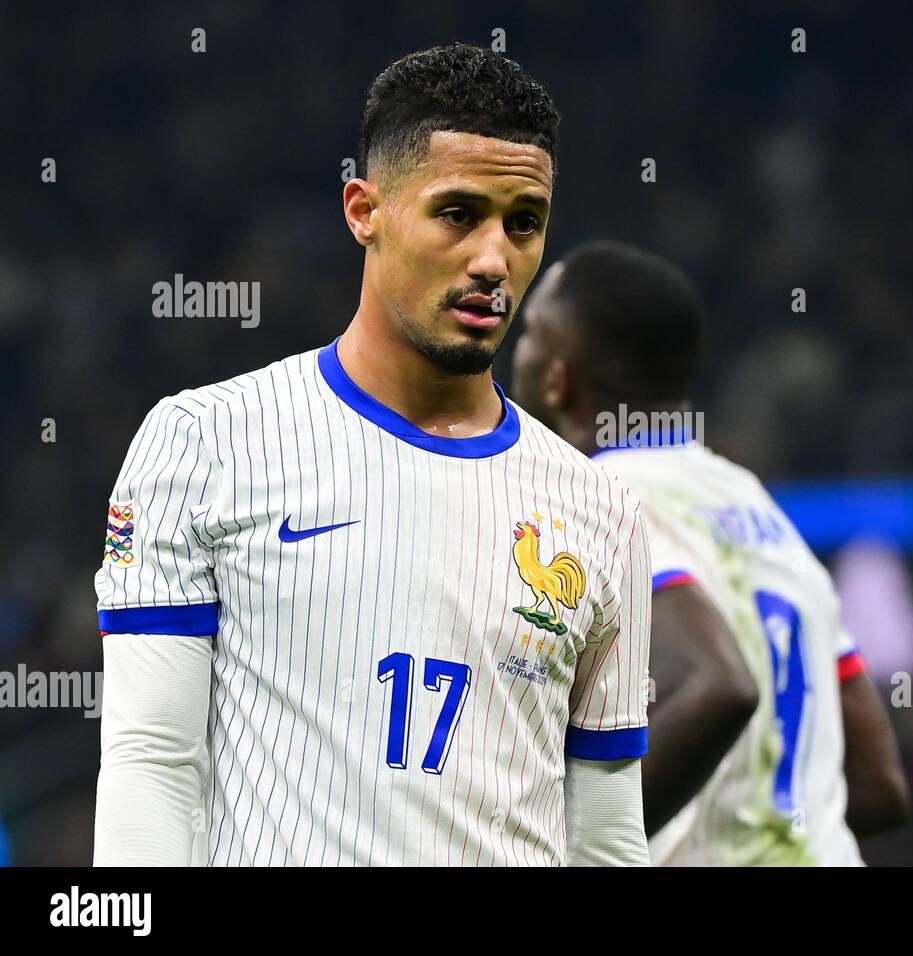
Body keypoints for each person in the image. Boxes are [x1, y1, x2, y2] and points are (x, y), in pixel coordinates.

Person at [93, 46, 652, 867]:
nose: (494, 259)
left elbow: (605, 838)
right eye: (459, 214)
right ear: (365, 210)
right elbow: (154, 765)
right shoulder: (204, 444)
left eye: (523, 222)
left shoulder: (603, 512)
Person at [512, 240, 909, 864]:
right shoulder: (759, 508)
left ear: (558, 378)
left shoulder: (599, 497)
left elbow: (719, 684)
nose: (518, 349)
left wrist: (569, 850)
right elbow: (879, 786)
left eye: (532, 331)